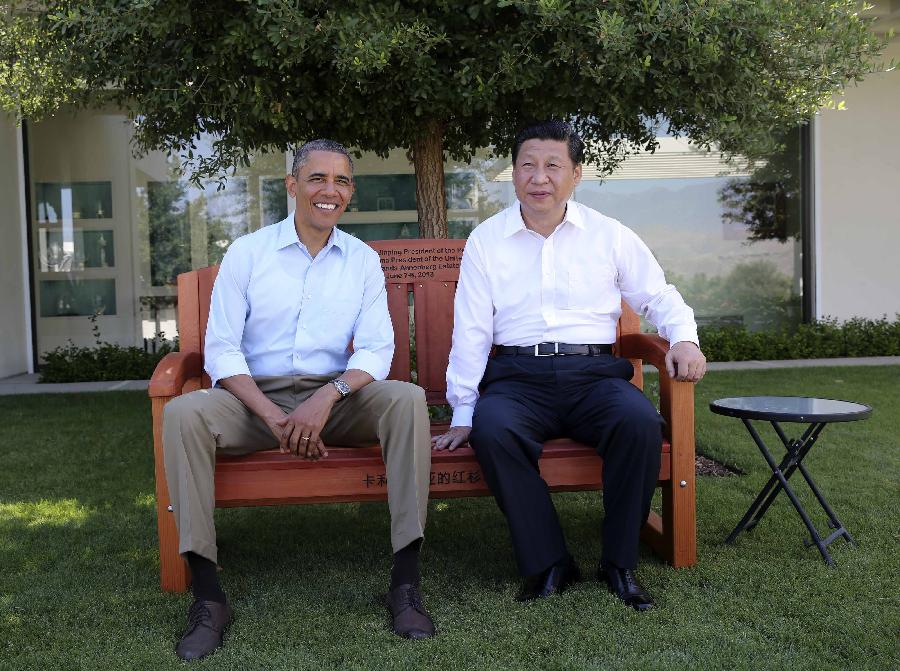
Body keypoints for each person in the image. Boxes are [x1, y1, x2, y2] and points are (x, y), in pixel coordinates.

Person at [162, 139, 435, 661]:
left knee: (406, 400)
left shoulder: (360, 260)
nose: (328, 191)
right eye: (316, 179)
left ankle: (404, 583)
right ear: (292, 186)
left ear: (350, 192)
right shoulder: (248, 252)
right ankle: (209, 596)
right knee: (183, 413)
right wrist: (273, 413)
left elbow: (378, 348)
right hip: (251, 402)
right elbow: (221, 349)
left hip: (331, 402)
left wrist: (325, 399)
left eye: (341, 181)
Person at [432, 120, 706, 611]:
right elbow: (471, 330)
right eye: (528, 165)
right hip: (518, 380)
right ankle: (550, 561)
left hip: (594, 378)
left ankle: (619, 563)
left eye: (553, 166)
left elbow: (659, 295)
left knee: (639, 422)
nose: (540, 177)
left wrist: (683, 339)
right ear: (513, 174)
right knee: (493, 432)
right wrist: (463, 411)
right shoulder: (487, 240)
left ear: (576, 174)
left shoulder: (609, 235)